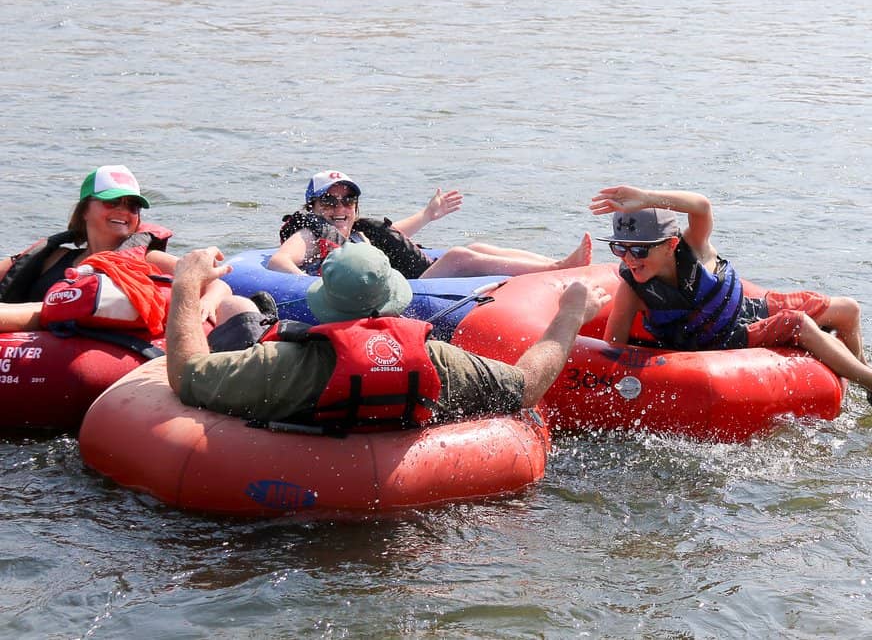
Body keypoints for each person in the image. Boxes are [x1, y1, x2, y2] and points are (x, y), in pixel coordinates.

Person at [590, 185, 872, 414]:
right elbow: (612, 349)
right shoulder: (633, 288)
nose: (629, 257)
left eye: (639, 249)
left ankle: (862, 372)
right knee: (796, 323)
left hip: (742, 311)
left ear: (671, 245)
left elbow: (700, 206)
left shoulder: (696, 248)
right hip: (721, 341)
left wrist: (651, 199)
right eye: (620, 248)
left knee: (848, 310)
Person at [167, 242, 610, 427]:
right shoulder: (439, 360)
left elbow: (187, 375)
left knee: (240, 310)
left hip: (299, 513)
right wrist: (570, 314)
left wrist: (187, 283)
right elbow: (528, 387)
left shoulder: (281, 364)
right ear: (394, 299)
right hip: (414, 515)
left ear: (321, 302)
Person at [0, 165, 261, 344]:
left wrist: (208, 302)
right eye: (111, 202)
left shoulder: (147, 259)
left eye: (132, 206)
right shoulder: (54, 257)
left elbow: (217, 282)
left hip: (93, 340)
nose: (123, 212)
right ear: (84, 210)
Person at [268, 170, 592, 280]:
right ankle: (555, 268)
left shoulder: (352, 232)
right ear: (312, 206)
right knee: (458, 256)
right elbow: (279, 261)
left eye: (347, 201)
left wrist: (427, 216)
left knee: (478, 248)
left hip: (416, 275)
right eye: (329, 202)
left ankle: (561, 267)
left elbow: (393, 236)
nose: (339, 208)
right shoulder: (309, 232)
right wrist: (311, 286)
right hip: (413, 288)